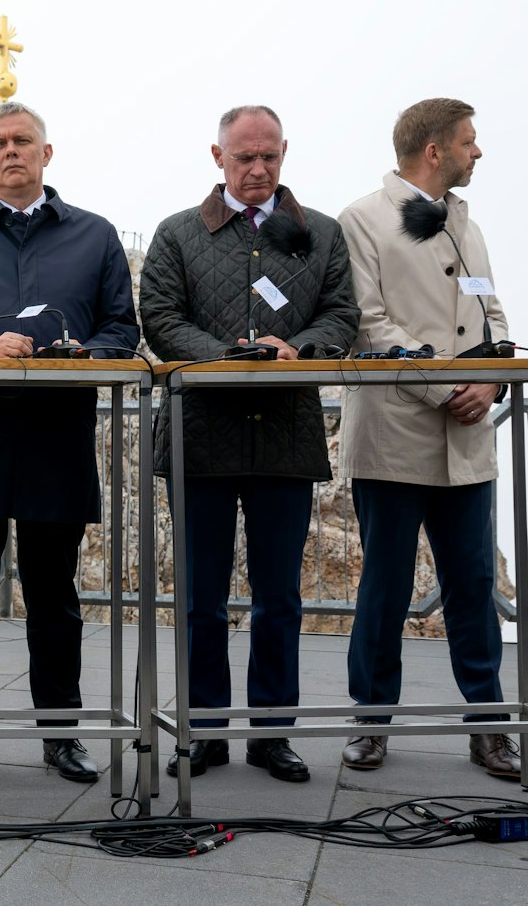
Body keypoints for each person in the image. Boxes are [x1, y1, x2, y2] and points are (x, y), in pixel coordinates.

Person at [0, 100, 139, 784]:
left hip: (54, 433)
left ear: (46, 153)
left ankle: (61, 734)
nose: (11, 151)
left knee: (54, 595)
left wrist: (76, 354)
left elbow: (121, 332)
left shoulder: (95, 237)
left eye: (23, 141)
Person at [138, 105, 358, 784]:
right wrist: (231, 358)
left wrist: (301, 349)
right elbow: (160, 316)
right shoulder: (177, 234)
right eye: (244, 159)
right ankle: (202, 732)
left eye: (269, 157)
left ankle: (272, 734)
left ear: (284, 151)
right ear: (217, 157)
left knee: (279, 597)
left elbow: (342, 312)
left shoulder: (322, 234)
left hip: (284, 437)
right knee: (201, 596)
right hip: (201, 434)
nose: (258, 169)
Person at [337, 97, 519, 781]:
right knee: (383, 587)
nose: (479, 152)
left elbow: (493, 312)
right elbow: (370, 324)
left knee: (472, 585)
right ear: (434, 150)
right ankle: (370, 722)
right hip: (394, 434)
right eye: (470, 141)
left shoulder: (466, 221)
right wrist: (449, 388)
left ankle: (490, 729)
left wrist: (494, 382)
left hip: (468, 441)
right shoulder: (361, 218)